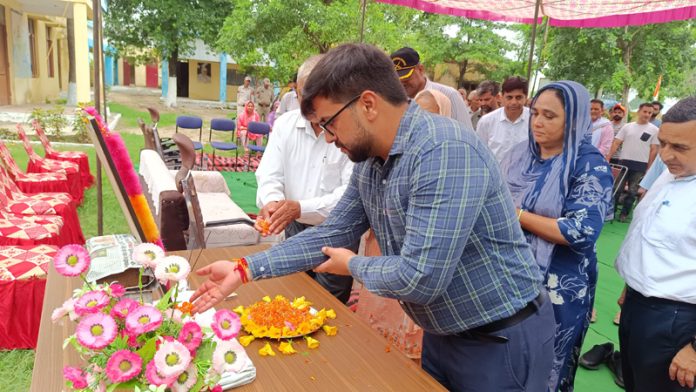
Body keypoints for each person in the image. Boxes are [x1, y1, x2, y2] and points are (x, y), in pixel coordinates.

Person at [190, 43, 554, 391]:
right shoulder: (371, 162)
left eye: (329, 123)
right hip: (446, 333)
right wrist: (244, 269)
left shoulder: (443, 152)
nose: (329, 139)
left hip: (499, 337)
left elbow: (421, 276)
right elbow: (332, 232)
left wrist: (354, 265)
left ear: (367, 104)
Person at [501, 81, 614, 391]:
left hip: (559, 284)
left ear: (574, 119)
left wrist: (517, 216)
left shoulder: (588, 164)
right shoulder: (521, 154)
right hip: (511, 274)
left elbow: (581, 231)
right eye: (535, 112)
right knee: (505, 358)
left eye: (550, 116)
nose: (537, 121)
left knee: (548, 364)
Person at [355, 87, 452, 360]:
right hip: (381, 246)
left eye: (431, 116)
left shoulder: (441, 162)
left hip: (413, 258)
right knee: (376, 326)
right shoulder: (387, 154)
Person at [254, 55, 355, 304]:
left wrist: (299, 207)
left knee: (329, 305)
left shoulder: (350, 130)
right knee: (294, 294)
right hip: (294, 226)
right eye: (301, 96)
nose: (307, 105)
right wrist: (273, 203)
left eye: (315, 96)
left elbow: (350, 196)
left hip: (336, 231)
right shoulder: (286, 124)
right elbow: (269, 174)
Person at [615, 96, 696, 392]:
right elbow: (649, 239)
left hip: (677, 321)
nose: (665, 155)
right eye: (663, 143)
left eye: (679, 147)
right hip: (639, 306)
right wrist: (630, 286)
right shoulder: (671, 174)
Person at [390, 47, 473, 130]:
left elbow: (467, 133)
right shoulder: (395, 100)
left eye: (406, 78)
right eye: (397, 79)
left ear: (421, 69)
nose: (401, 83)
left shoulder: (449, 95)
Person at [608, 102, 660, 221]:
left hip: (640, 165)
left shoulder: (654, 130)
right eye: (645, 111)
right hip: (623, 162)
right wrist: (608, 157)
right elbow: (616, 142)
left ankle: (624, 214)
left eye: (650, 112)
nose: (647, 114)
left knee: (632, 192)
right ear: (638, 112)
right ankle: (611, 212)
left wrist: (649, 167)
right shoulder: (627, 127)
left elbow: (654, 150)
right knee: (616, 189)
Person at [476, 76, 530, 163]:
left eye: (519, 97)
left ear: (526, 98)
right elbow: (479, 154)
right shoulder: (486, 122)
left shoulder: (534, 120)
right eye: (509, 97)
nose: (514, 102)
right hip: (496, 175)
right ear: (502, 97)